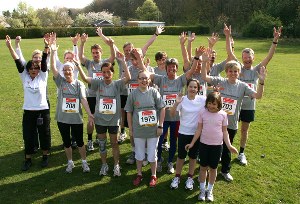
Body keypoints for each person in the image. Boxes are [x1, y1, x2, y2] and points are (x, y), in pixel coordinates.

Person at [201, 47, 267, 182]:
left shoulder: (242, 86)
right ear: (226, 72)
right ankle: (206, 170)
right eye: (230, 71)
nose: (233, 73)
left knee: (227, 148)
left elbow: (258, 96)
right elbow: (204, 77)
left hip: (231, 123)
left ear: (239, 73)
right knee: (213, 147)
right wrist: (204, 63)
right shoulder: (221, 81)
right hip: (215, 122)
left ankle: (225, 170)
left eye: (235, 71)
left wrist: (261, 81)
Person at [225, 25, 282, 165]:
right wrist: (227, 36)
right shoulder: (238, 68)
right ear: (242, 58)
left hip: (249, 107)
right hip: (234, 106)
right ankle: (225, 151)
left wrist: (275, 40)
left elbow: (269, 57)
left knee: (244, 130)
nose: (246, 60)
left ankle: (242, 153)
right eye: (244, 58)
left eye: (249, 58)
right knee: (229, 129)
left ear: (253, 58)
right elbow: (229, 53)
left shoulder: (257, 70)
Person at [77, 48, 131, 177]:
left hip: (113, 121)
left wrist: (123, 61)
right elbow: (85, 78)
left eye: (108, 72)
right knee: (102, 145)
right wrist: (78, 65)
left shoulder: (117, 84)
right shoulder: (98, 83)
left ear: (112, 73)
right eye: (104, 72)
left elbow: (128, 77)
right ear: (101, 74)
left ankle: (116, 165)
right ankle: (104, 164)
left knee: (114, 144)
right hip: (100, 120)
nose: (106, 75)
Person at [6, 35, 51, 171]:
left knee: (44, 134)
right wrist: (10, 47)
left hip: (42, 111)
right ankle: (28, 159)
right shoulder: (24, 76)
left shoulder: (43, 76)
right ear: (28, 70)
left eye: (35, 68)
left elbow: (43, 62)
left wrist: (46, 47)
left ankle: (45, 156)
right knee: (28, 135)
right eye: (31, 68)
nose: (33, 70)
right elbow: (17, 61)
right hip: (28, 112)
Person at [149, 51, 197, 174]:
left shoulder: (180, 80)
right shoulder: (161, 79)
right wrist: (139, 58)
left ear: (176, 68)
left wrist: (196, 58)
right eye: (169, 67)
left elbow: (191, 71)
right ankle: (159, 160)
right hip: (163, 118)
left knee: (173, 141)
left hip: (176, 118)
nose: (172, 69)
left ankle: (170, 162)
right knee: (159, 141)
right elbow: (147, 73)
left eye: (174, 67)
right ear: (166, 69)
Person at [50, 40, 94, 173]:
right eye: (65, 70)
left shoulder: (79, 84)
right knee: (66, 142)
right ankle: (70, 163)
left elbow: (83, 100)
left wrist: (90, 114)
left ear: (73, 70)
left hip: (76, 119)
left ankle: (84, 162)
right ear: (63, 72)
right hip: (62, 118)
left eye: (69, 69)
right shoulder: (61, 82)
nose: (67, 72)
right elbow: (53, 67)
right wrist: (53, 52)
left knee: (80, 142)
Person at [185, 92, 238, 202]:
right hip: (204, 145)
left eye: (214, 104)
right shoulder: (202, 113)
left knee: (213, 169)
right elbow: (199, 129)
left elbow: (225, 131)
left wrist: (229, 146)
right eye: (209, 103)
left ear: (219, 104)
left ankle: (210, 190)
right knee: (203, 168)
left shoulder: (223, 114)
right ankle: (202, 190)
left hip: (217, 146)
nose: (211, 106)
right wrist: (193, 143)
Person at [124, 69, 165, 187]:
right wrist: (131, 128)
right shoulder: (133, 94)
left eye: (146, 78)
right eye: (141, 78)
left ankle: (153, 175)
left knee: (152, 154)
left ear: (149, 80)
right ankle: (139, 174)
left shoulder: (154, 92)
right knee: (139, 154)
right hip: (139, 130)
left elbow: (162, 108)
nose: (144, 80)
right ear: (137, 80)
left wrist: (160, 125)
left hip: (153, 131)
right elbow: (129, 112)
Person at [79, 28, 115, 150]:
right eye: (93, 53)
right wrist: (82, 43)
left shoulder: (105, 63)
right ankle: (89, 140)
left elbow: (113, 57)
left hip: (104, 96)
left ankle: (99, 138)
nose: (95, 54)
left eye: (97, 52)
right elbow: (80, 56)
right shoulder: (89, 63)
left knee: (101, 118)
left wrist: (111, 45)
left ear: (101, 52)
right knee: (91, 119)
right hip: (91, 96)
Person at [169, 79, 206, 191]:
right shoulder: (182, 99)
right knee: (180, 156)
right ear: (187, 88)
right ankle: (177, 177)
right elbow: (171, 114)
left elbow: (214, 102)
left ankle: (190, 177)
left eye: (195, 87)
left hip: (196, 134)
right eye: (191, 86)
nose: (193, 89)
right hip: (183, 132)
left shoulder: (202, 100)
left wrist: (216, 92)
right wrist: (176, 102)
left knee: (193, 156)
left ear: (198, 89)